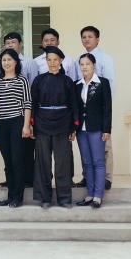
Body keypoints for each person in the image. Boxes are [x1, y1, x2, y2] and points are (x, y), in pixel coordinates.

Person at [31, 46, 79, 208]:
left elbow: (74, 105)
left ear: (61, 61)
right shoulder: (39, 80)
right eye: (49, 60)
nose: (52, 63)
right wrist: (32, 124)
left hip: (63, 125)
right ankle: (44, 198)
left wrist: (73, 127)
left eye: (55, 60)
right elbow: (33, 104)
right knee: (42, 162)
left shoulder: (67, 81)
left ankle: (64, 198)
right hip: (42, 124)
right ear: (46, 61)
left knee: (62, 163)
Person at [74, 26, 115, 190]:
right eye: (84, 37)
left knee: (104, 148)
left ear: (97, 39)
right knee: (86, 151)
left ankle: (106, 178)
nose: (86, 39)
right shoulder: (79, 60)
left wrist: (105, 115)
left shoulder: (106, 59)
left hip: (99, 112)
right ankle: (87, 177)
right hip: (84, 114)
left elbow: (110, 85)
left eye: (90, 36)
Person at [0, 48, 32, 208]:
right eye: (4, 60)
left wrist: (26, 125)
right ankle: (10, 196)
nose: (6, 63)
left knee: (17, 160)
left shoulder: (22, 80)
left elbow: (27, 103)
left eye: (9, 59)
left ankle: (18, 197)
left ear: (16, 62)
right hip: (1, 124)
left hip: (17, 122)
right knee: (8, 161)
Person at [74, 53, 112, 209]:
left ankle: (98, 196)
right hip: (81, 130)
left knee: (98, 162)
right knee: (87, 163)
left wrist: (107, 129)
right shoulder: (77, 84)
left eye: (88, 64)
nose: (84, 67)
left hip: (97, 128)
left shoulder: (103, 83)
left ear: (94, 65)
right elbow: (75, 108)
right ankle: (89, 194)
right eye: (82, 64)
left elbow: (107, 108)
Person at [2, 31, 37, 189]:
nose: (10, 45)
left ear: (20, 44)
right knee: (11, 152)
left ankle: (28, 179)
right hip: (8, 115)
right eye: (7, 43)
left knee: (26, 149)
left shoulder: (29, 62)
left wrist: (29, 120)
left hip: (25, 112)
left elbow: (33, 89)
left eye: (13, 42)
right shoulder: (3, 63)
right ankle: (13, 181)